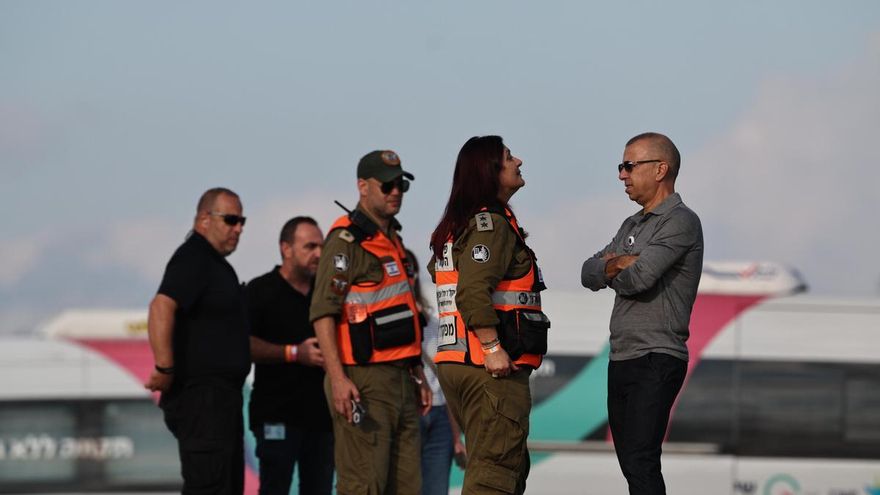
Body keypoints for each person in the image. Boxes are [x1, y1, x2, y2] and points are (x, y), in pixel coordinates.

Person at [580, 132, 704, 495]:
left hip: (657, 355)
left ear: (661, 170)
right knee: (630, 461)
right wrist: (621, 263)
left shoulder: (681, 220)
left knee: (640, 458)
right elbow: (588, 273)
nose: (622, 174)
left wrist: (614, 267)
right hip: (623, 355)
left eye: (629, 166)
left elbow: (639, 279)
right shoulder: (631, 225)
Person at [428, 136, 550, 495]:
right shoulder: (490, 225)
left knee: (498, 466)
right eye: (509, 157)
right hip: (487, 367)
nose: (519, 161)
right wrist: (493, 347)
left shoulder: (457, 226)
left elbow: (442, 276)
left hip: (457, 361)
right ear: (490, 172)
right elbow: (471, 291)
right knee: (495, 475)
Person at [309, 149, 432, 495]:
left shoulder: (394, 242)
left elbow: (405, 316)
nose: (395, 192)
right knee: (364, 485)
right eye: (387, 185)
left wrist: (418, 373)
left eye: (401, 185)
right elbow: (323, 313)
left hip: (402, 379)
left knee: (407, 487)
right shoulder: (345, 240)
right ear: (363, 186)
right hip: (362, 380)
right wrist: (337, 379)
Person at [144, 187, 251, 494]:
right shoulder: (194, 258)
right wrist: (165, 368)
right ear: (205, 219)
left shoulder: (215, 265)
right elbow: (161, 306)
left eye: (242, 221)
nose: (239, 228)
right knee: (209, 487)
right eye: (231, 220)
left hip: (222, 402)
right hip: (204, 400)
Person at [245, 216, 334, 495]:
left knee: (319, 489)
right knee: (275, 488)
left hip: (322, 418)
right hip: (276, 416)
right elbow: (241, 344)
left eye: (321, 246)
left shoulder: (327, 293)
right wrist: (294, 353)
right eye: (309, 246)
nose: (318, 254)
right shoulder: (260, 291)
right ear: (286, 248)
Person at [406, 249, 467, 495]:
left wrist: (456, 438)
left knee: (435, 489)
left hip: (440, 416)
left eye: (411, 271)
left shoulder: (433, 323)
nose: (407, 277)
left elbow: (445, 381)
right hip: (407, 412)